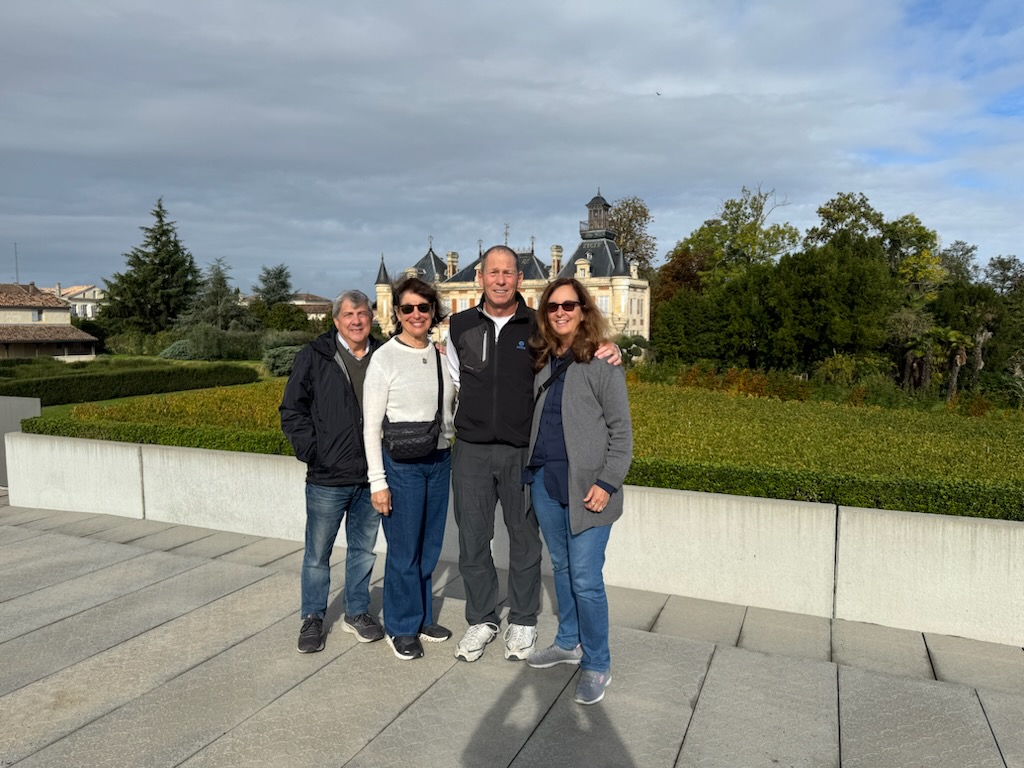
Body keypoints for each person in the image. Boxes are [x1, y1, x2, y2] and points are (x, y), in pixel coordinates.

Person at [446, 245, 620, 663]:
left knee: (524, 540)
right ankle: (482, 619)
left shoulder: (539, 327)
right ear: (480, 278)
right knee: (473, 539)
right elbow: (453, 381)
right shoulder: (459, 325)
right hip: (471, 450)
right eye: (493, 272)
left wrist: (611, 349)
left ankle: (523, 619)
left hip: (522, 451)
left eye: (508, 272)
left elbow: (576, 349)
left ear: (520, 279)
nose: (500, 280)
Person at [524, 278, 632, 705]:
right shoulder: (542, 360)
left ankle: (598, 662)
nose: (561, 312)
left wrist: (607, 483)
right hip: (546, 483)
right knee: (563, 568)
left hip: (589, 488)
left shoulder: (603, 363)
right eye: (553, 307)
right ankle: (569, 641)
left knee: (586, 578)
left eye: (569, 305)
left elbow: (622, 433)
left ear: (584, 310)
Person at [280, 290, 385, 653]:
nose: (357, 321)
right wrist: (314, 451)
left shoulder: (384, 354)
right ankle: (312, 617)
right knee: (317, 555)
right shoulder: (315, 356)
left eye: (362, 313)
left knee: (363, 551)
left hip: (371, 476)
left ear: (371, 317)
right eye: (349, 315)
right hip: (327, 477)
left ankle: (357, 612)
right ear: (336, 320)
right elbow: (292, 410)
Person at [364, 277, 457, 660]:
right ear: (398, 313)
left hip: (439, 460)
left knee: (429, 547)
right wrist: (377, 482)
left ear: (433, 311)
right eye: (408, 308)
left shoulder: (442, 355)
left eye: (423, 307)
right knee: (404, 550)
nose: (416, 314)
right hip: (401, 465)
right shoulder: (384, 358)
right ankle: (401, 626)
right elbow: (370, 426)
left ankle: (421, 618)